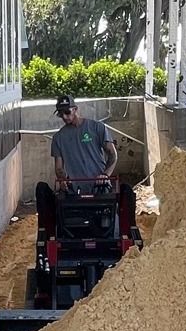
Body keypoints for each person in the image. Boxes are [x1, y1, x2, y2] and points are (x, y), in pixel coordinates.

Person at [38, 96, 135, 236]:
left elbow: (113, 155)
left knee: (108, 225)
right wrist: (63, 180)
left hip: (100, 187)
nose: (64, 117)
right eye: (61, 114)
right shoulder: (58, 138)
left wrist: (105, 175)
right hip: (74, 190)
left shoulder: (97, 127)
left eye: (67, 112)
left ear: (75, 109)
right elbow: (59, 168)